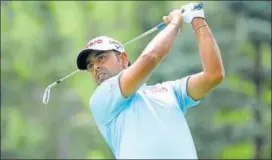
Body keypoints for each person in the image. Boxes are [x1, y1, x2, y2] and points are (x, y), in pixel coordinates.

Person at [76, 2, 225, 159]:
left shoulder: (170, 91)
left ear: (123, 58)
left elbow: (213, 75)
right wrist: (175, 24)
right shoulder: (102, 98)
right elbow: (150, 57)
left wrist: (197, 18)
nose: (96, 67)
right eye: (90, 66)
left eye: (101, 58)